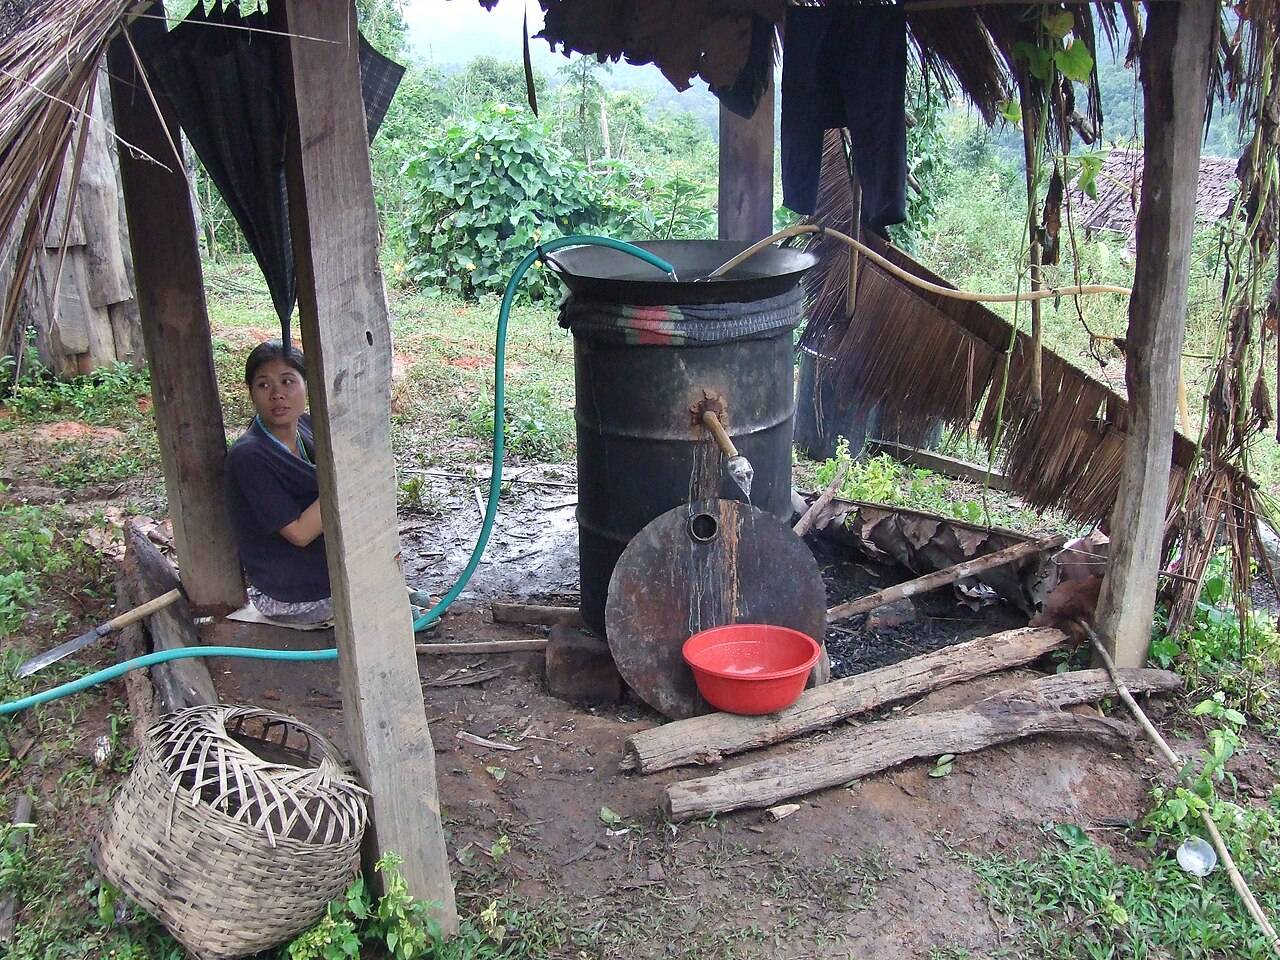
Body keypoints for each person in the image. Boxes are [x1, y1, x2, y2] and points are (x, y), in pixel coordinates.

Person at [224, 341, 333, 625]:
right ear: (251, 393)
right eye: (264, 385)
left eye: (288, 382)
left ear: (306, 385)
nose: (277, 395)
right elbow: (299, 533)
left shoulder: (307, 427)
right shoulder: (249, 457)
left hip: (322, 571)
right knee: (393, 609)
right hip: (289, 594)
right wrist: (347, 483)